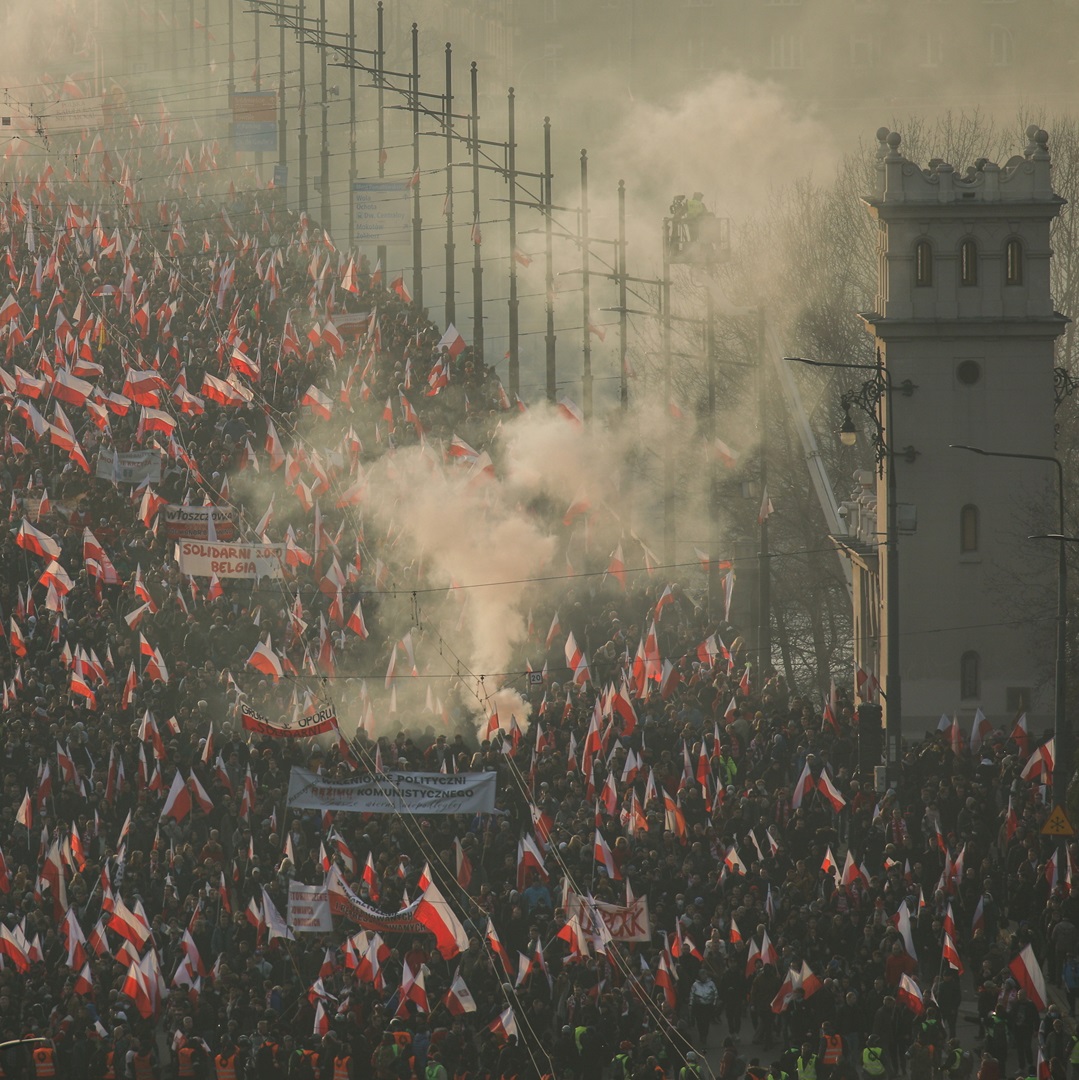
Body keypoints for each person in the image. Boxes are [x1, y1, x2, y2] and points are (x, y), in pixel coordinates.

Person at [690, 970, 719, 1047]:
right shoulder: (695, 985)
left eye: (705, 974)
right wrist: (691, 1005)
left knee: (706, 1022)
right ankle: (701, 1035)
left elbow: (715, 993)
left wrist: (714, 1004)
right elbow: (692, 996)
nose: (704, 976)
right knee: (699, 1022)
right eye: (702, 975)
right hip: (698, 1007)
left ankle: (705, 1036)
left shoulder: (711, 983)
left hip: (708, 1006)